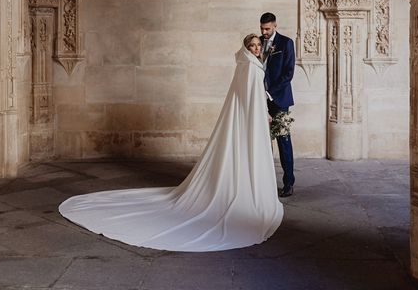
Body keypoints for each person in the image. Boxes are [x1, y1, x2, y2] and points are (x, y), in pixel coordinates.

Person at [58, 34, 283, 252]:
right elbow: (251, 100)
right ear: (247, 48)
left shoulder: (245, 65)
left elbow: (247, 97)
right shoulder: (252, 67)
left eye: (257, 46)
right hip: (250, 121)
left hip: (246, 120)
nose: (256, 49)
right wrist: (264, 115)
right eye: (252, 45)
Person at [259, 13, 296, 197]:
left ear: (275, 26)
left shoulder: (286, 43)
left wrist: (270, 92)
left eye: (267, 29)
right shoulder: (256, 42)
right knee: (262, 142)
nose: (264, 32)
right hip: (258, 100)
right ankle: (263, 183)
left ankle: (288, 183)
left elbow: (288, 74)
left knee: (283, 141)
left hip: (279, 100)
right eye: (262, 28)